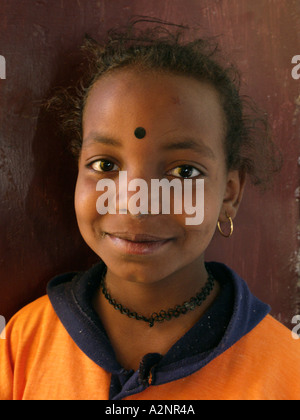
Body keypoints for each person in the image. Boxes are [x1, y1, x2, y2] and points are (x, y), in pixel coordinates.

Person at [0, 19, 299, 401]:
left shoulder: (288, 370)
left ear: (230, 193)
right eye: (106, 165)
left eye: (183, 171)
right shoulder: (20, 345)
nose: (136, 203)